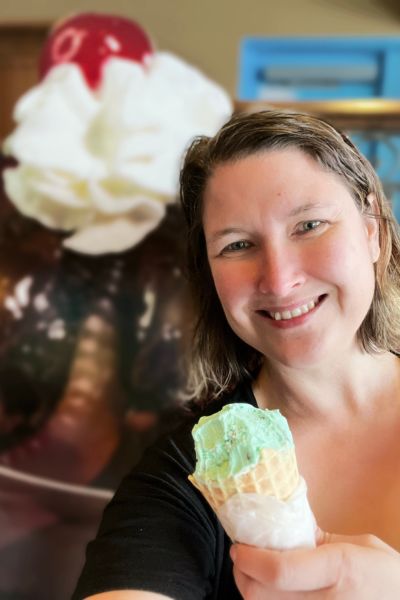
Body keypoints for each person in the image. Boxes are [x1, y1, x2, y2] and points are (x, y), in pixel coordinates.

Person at [73, 110, 400, 600]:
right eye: (239, 244)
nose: (279, 279)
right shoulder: (186, 476)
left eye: (309, 225)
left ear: (371, 230)